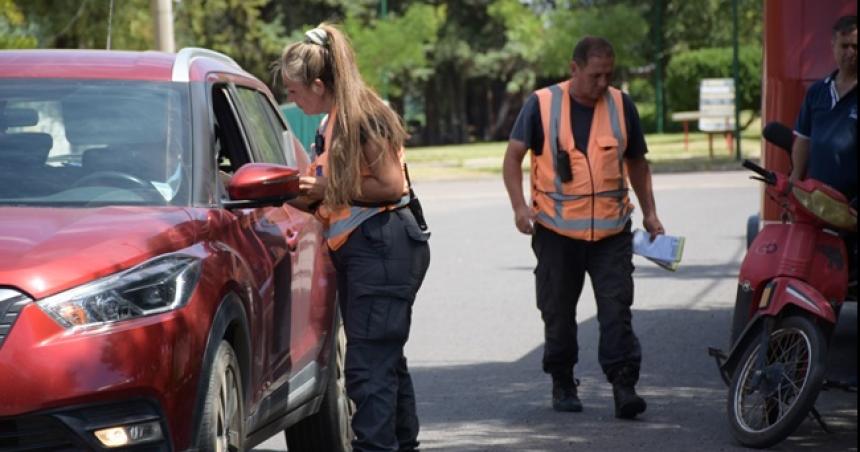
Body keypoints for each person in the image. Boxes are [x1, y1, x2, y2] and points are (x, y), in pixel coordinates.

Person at [278, 24, 431, 451]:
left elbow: (389, 187)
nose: (293, 100)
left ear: (319, 84)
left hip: (383, 247)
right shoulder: (334, 120)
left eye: (294, 91)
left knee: (368, 369)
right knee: (384, 361)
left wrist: (327, 191)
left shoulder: (361, 114)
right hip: (369, 249)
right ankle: (400, 444)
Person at [502, 36, 664, 419]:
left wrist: (650, 213)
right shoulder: (541, 105)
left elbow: (638, 163)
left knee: (616, 309)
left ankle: (623, 385)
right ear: (574, 69)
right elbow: (512, 159)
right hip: (556, 233)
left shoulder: (621, 105)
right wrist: (519, 207)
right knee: (557, 312)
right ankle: (562, 380)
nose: (602, 83)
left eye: (609, 74)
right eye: (595, 75)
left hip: (612, 233)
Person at [790, 15, 857, 203]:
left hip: (852, 208)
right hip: (817, 204)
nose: (851, 52)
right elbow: (803, 140)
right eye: (845, 46)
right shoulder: (817, 92)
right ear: (833, 46)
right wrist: (795, 179)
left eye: (856, 46)